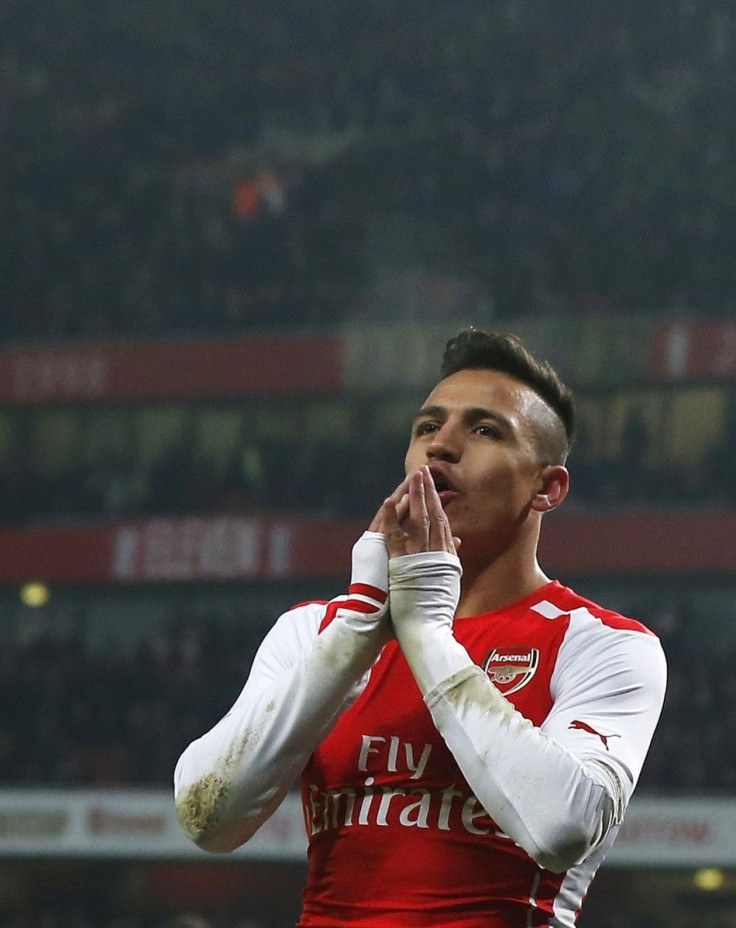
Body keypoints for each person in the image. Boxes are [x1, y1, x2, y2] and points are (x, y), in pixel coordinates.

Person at [174, 329, 667, 927]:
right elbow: (208, 820)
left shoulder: (602, 645)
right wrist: (360, 625)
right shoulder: (316, 631)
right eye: (426, 427)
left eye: (485, 430)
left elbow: (562, 830)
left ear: (547, 487)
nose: (442, 447)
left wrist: (430, 635)